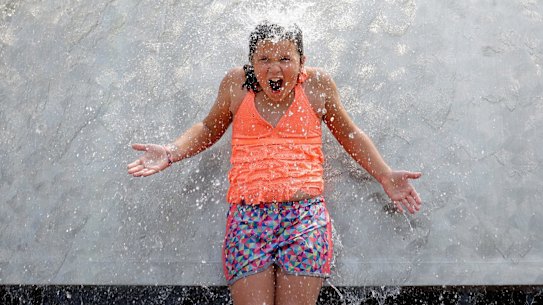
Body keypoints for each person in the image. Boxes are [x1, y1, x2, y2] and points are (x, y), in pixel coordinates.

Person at [127, 21, 422, 305]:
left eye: (285, 58)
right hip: (247, 219)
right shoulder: (236, 85)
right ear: (252, 62)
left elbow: (350, 133)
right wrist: (171, 151)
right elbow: (208, 128)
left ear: (301, 60)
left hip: (304, 218)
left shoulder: (317, 86)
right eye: (264, 59)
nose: (274, 68)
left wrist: (384, 174)